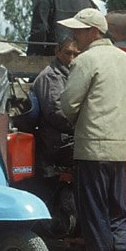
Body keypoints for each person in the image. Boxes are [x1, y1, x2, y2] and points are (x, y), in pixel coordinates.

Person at [58, 7, 126, 251]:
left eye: (78, 30)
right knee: (118, 211)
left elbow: (68, 104)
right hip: (121, 149)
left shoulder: (85, 61)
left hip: (92, 148)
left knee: (94, 212)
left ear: (93, 32)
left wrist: (83, 120)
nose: (74, 35)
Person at [29, 35, 80, 173]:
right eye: (68, 53)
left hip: (69, 137)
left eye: (76, 54)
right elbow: (56, 113)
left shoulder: (72, 74)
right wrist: (82, 128)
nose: (72, 59)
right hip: (58, 141)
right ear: (57, 51)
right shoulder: (51, 76)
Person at [27, 0, 94, 55]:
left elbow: (39, 30)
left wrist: (33, 55)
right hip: (83, 56)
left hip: (53, 56)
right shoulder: (89, 2)